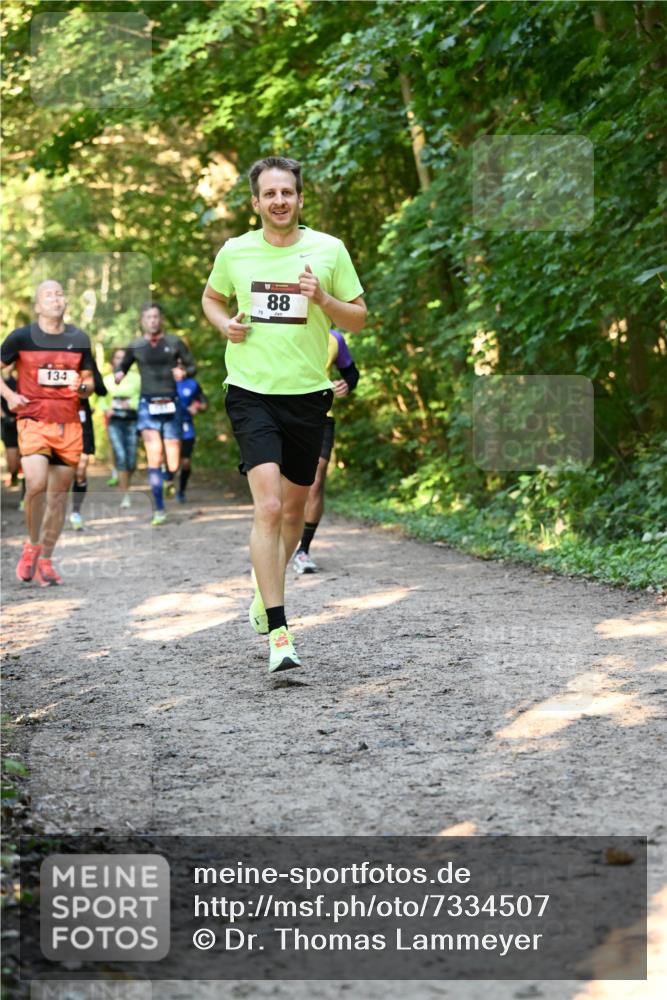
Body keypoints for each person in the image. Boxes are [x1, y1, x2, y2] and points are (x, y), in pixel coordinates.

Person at [202, 155, 366, 672]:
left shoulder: (329, 250)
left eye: (287, 193)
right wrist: (224, 323)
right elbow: (210, 298)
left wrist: (323, 300)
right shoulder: (236, 252)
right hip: (250, 392)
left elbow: (358, 320)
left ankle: (261, 587)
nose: (279, 201)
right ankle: (279, 632)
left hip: (308, 396)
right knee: (269, 507)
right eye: (269, 194)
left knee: (294, 512)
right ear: (255, 203)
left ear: (299, 198)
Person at [0, 279, 94, 585]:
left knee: (57, 498)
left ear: (65, 303)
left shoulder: (79, 338)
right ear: (38, 306)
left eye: (59, 293)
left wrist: (83, 387)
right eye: (48, 294)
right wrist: (10, 396)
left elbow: (89, 381)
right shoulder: (21, 337)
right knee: (37, 484)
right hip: (32, 421)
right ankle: (31, 545)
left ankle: (47, 558)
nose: (55, 298)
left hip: (68, 425)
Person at [115, 303, 196, 525]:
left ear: (161, 320)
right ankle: (159, 508)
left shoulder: (174, 342)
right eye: (148, 317)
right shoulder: (136, 346)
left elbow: (192, 367)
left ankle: (169, 477)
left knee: (172, 461)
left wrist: (183, 371)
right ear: (143, 321)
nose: (152, 320)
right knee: (154, 456)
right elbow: (123, 365)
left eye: (156, 316)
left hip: (171, 403)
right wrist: (119, 373)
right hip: (147, 405)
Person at [292, 328, 360, 574]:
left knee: (316, 480)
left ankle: (303, 550)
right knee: (285, 483)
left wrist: (346, 385)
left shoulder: (335, 338)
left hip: (321, 416)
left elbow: (351, 373)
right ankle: (278, 538)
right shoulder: (284, 327)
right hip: (284, 415)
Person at [99, 347, 141, 508]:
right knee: (121, 456)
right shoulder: (107, 380)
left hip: (132, 420)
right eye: (117, 358)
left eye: (123, 358)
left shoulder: (137, 378)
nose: (120, 361)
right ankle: (125, 495)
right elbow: (100, 399)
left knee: (131, 461)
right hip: (115, 421)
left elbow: (142, 398)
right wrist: (106, 408)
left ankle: (125, 480)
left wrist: (130, 404)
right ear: (112, 361)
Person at [69, 357, 107, 530]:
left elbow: (101, 390)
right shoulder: (49, 356)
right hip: (54, 419)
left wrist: (83, 387)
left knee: (80, 470)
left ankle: (75, 511)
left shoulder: (85, 361)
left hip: (82, 417)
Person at [175, 374, 208, 502]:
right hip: (169, 425)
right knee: (171, 461)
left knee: (185, 462)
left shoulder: (192, 384)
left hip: (186, 428)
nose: (179, 370)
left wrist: (198, 406)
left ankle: (181, 491)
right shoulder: (165, 381)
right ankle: (167, 479)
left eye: (182, 366)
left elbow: (203, 402)